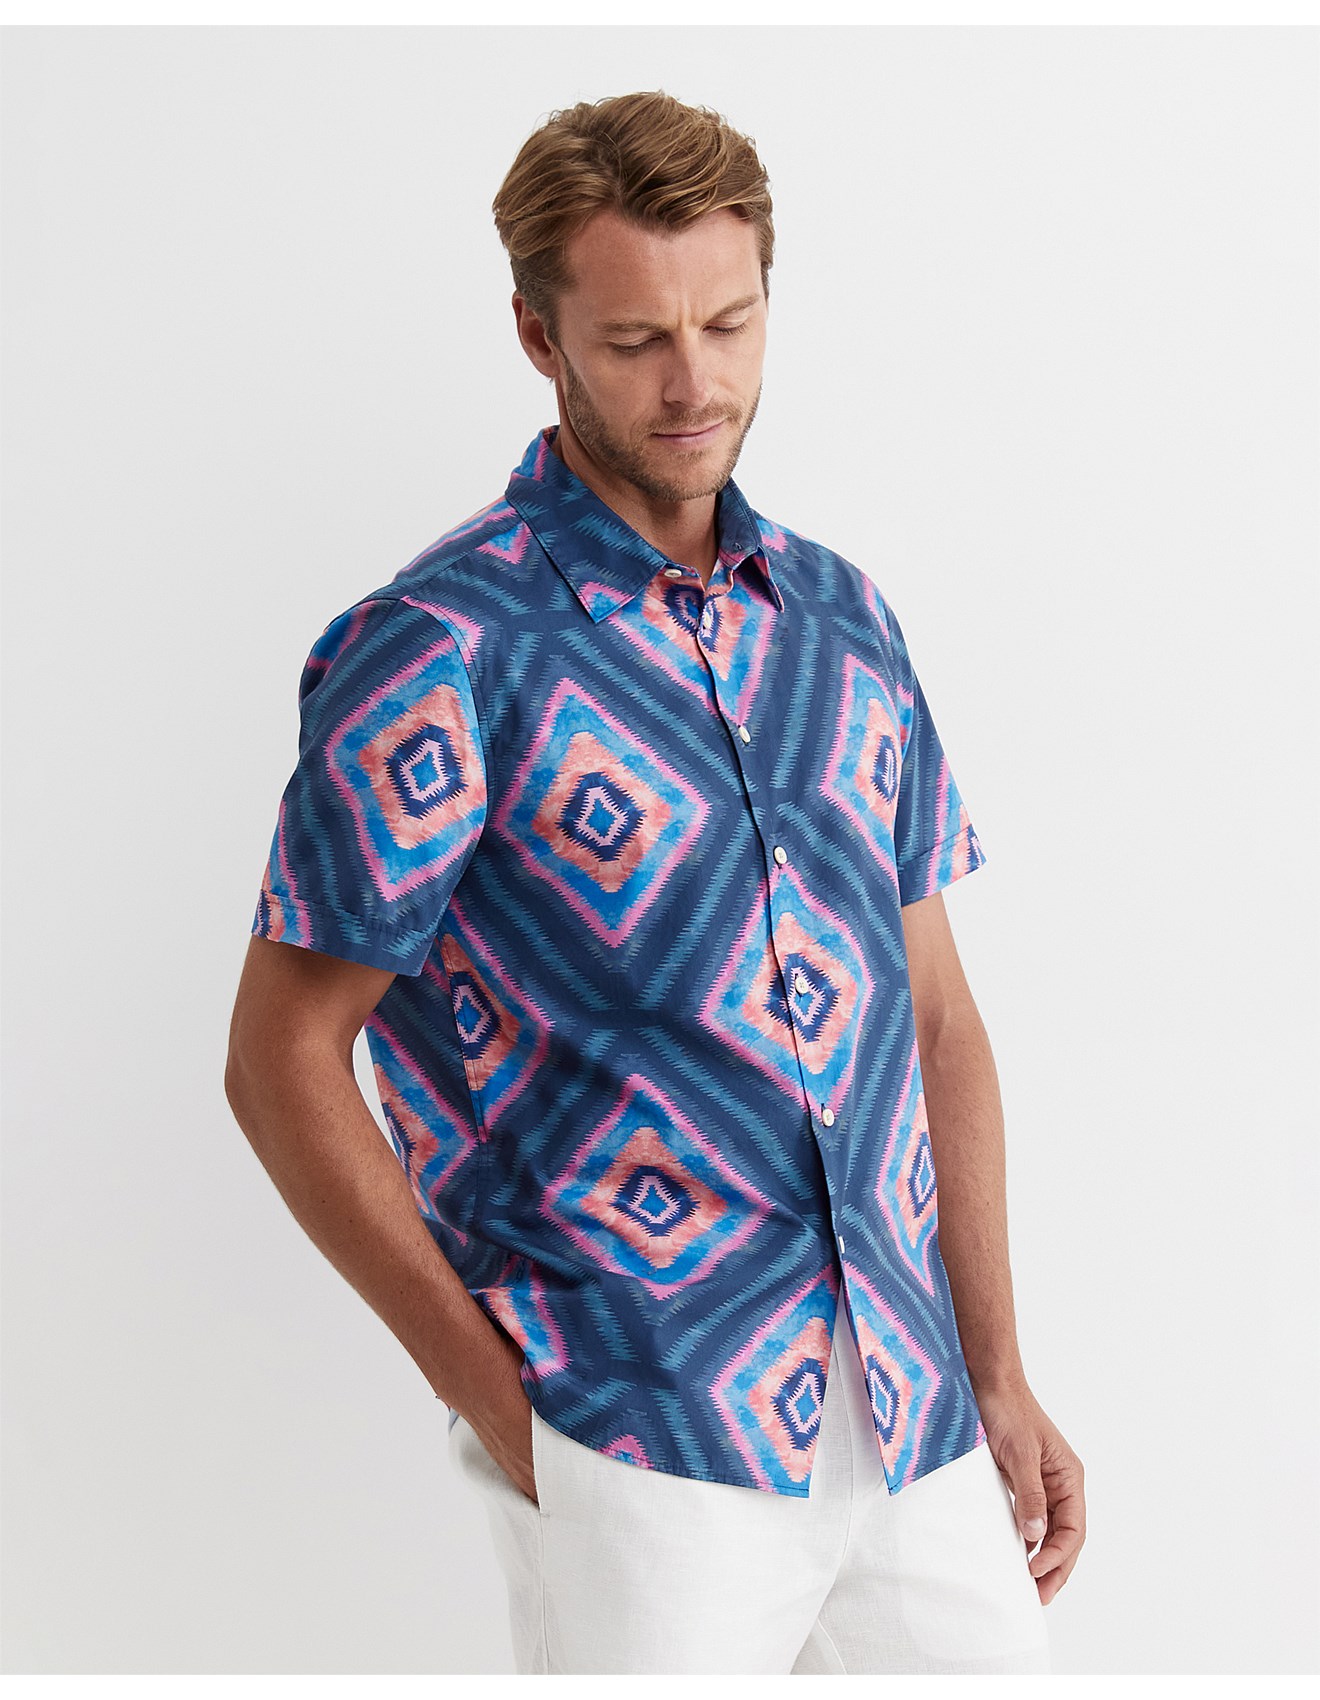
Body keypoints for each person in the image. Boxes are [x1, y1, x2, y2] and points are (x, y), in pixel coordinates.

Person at [225, 87, 1086, 1675]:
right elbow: (280, 1057)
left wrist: (997, 1368)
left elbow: (937, 1021)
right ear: (537, 335)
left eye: (729, 324)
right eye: (634, 341)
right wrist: (503, 1405)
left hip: (911, 1416)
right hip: (640, 1424)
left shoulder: (844, 619)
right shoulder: (437, 648)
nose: (696, 383)